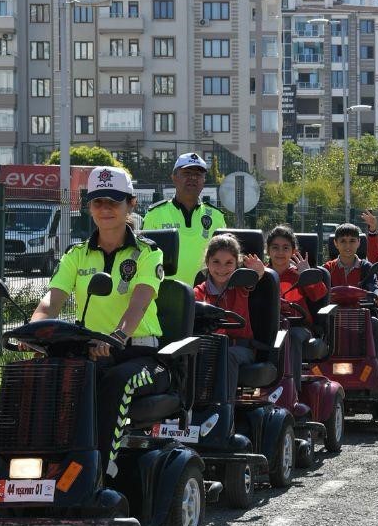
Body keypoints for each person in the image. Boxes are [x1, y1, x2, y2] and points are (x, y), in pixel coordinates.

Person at [30, 166, 168, 469]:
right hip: (92, 352)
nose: (105, 209)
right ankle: (42, 468)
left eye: (114, 202)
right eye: (98, 202)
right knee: (41, 379)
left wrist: (117, 337)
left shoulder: (148, 253)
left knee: (117, 382)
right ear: (88, 206)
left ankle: (100, 470)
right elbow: (50, 302)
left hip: (141, 355)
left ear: (131, 204)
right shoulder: (76, 254)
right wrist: (31, 332)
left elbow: (139, 304)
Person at [194, 234, 266, 394]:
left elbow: (255, 277)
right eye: (216, 262)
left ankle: (225, 410)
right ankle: (190, 410)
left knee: (226, 356)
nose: (221, 269)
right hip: (208, 347)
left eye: (228, 263)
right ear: (207, 263)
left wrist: (259, 271)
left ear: (236, 264)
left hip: (239, 348)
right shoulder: (200, 292)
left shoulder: (241, 286)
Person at [141, 152, 228, 286]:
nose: (193, 178)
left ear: (203, 180)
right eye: (187, 173)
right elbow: (143, 258)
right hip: (166, 295)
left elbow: (226, 257)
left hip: (206, 296)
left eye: (198, 175)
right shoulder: (155, 214)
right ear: (174, 177)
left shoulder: (216, 216)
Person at [266, 225, 327, 326]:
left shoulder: (299, 273)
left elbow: (319, 296)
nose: (280, 252)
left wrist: (308, 274)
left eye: (285, 248)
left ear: (293, 251)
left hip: (298, 326)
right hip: (268, 327)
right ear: (268, 251)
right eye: (275, 247)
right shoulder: (262, 273)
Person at [324, 223, 378, 306]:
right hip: (334, 315)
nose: (348, 245)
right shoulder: (328, 268)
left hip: (361, 314)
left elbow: (374, 286)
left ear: (359, 242)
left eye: (352, 241)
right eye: (343, 241)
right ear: (335, 243)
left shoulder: (366, 267)